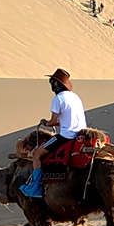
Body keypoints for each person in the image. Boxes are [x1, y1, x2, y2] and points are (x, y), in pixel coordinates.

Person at [19, 69, 86, 198]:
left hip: (67, 136)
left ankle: (35, 187)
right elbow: (65, 120)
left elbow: (53, 121)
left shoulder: (58, 99)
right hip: (81, 133)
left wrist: (46, 123)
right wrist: (54, 123)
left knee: (36, 153)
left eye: (52, 81)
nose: (51, 84)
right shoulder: (75, 97)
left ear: (56, 83)